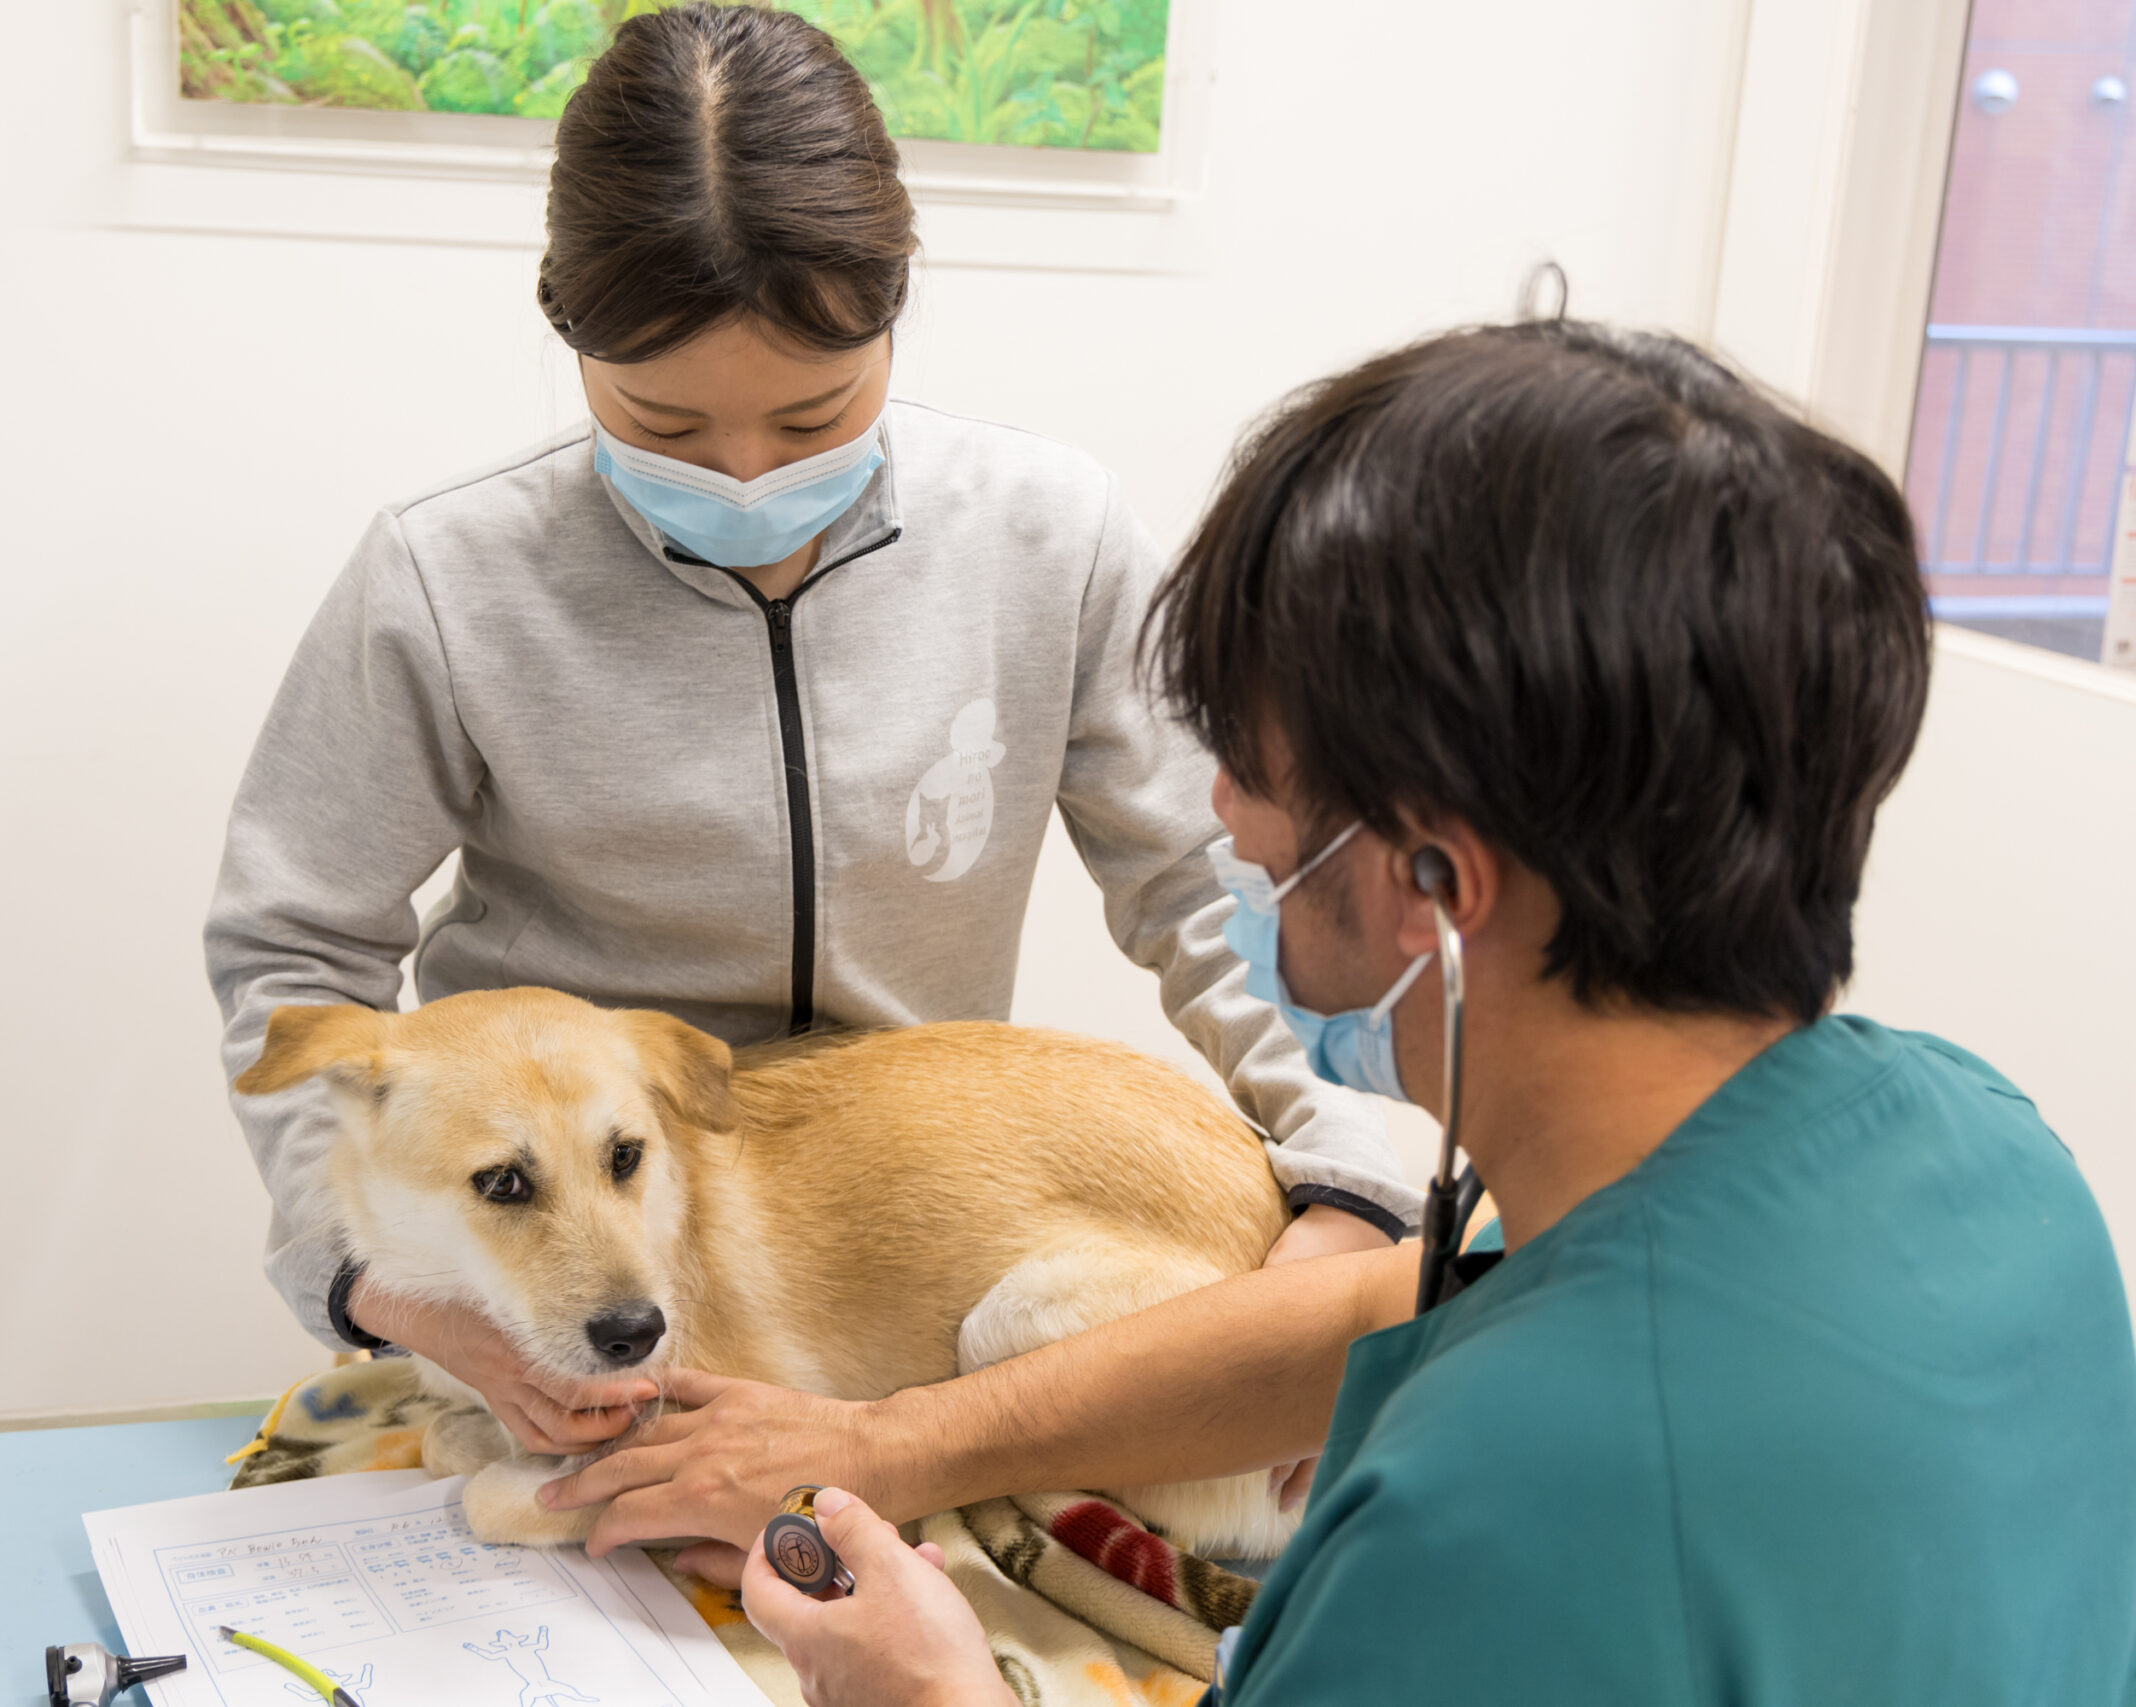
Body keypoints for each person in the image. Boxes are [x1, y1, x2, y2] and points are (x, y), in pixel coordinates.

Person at [543, 320, 2136, 1704]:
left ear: (1435, 887)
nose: (1224, 815)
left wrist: (935, 1693)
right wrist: (894, 1446)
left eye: (1258, 767)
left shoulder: (1489, 1516)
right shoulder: (1977, 1146)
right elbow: (1409, 1307)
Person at [203, 2, 1413, 1463]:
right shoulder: (446, 580)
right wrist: (382, 1286)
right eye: (661, 425)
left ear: (896, 313)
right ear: (565, 334)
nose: (744, 472)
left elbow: (1218, 890)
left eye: (814, 413)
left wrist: (1351, 1186)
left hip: (900, 1262)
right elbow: (291, 955)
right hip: (575, 1275)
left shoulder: (1051, 537)